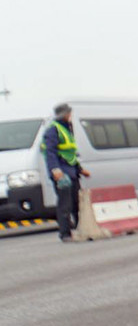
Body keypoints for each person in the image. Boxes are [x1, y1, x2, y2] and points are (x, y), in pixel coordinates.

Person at [41, 102, 90, 242]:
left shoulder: (67, 128)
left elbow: (70, 154)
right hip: (61, 174)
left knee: (77, 203)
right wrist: (55, 170)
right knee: (65, 204)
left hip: (72, 172)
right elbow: (49, 152)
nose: (70, 115)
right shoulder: (53, 130)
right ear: (65, 114)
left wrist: (80, 169)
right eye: (69, 113)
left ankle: (81, 230)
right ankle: (65, 234)